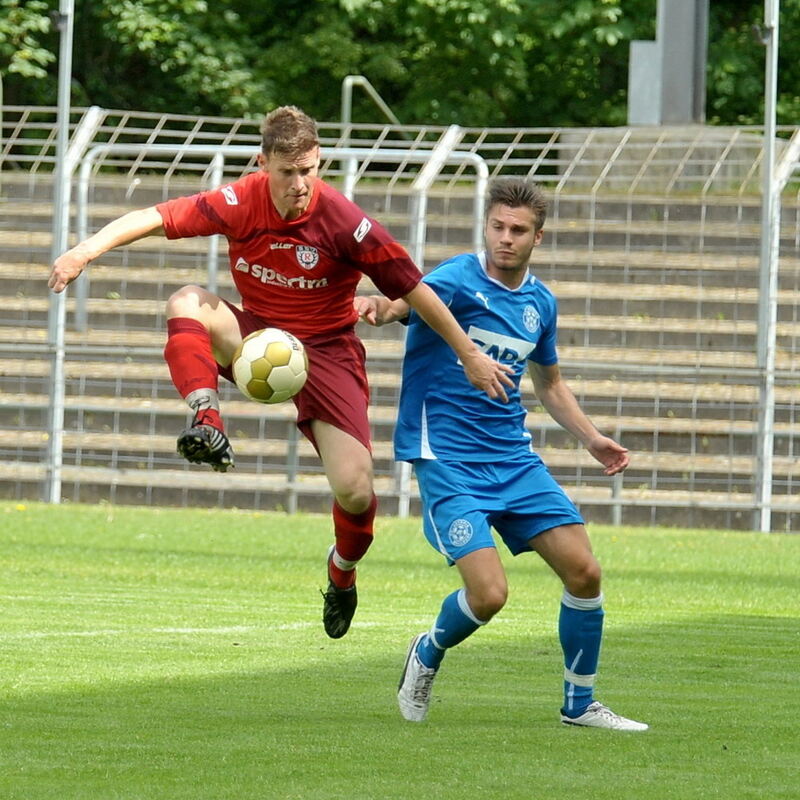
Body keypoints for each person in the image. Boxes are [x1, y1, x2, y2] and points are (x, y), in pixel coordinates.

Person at [48, 105, 513, 641]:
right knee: (186, 300)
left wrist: (469, 355)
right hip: (256, 338)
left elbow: (414, 290)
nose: (299, 183)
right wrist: (84, 251)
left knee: (357, 492)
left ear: (320, 163)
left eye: (309, 170)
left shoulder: (344, 222)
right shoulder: (240, 201)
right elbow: (155, 216)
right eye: (287, 171)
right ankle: (207, 420)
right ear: (261, 162)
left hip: (327, 353)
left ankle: (341, 570)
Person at [354, 176, 648, 730]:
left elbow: (550, 384)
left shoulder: (540, 304)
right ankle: (427, 651)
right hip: (447, 457)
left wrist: (591, 438)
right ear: (486, 226)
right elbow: (405, 301)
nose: (505, 238)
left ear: (538, 237)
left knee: (585, 572)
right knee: (489, 595)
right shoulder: (457, 278)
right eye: (497, 227)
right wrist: (379, 306)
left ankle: (580, 705)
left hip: (513, 459)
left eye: (518, 230)